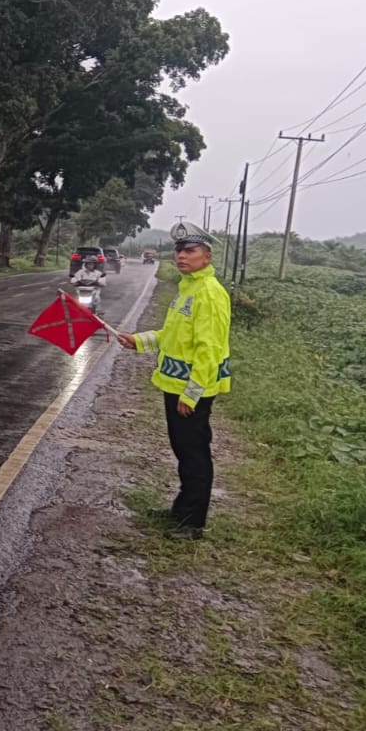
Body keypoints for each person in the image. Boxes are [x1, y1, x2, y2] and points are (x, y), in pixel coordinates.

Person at [116, 223, 231, 540]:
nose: (182, 256)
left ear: (206, 257)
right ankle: (181, 510)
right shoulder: (188, 289)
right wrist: (137, 341)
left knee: (194, 454)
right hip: (174, 387)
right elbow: (172, 337)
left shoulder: (209, 294)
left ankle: (192, 524)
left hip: (192, 391)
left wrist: (192, 394)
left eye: (190, 251)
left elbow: (210, 350)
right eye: (179, 250)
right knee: (183, 450)